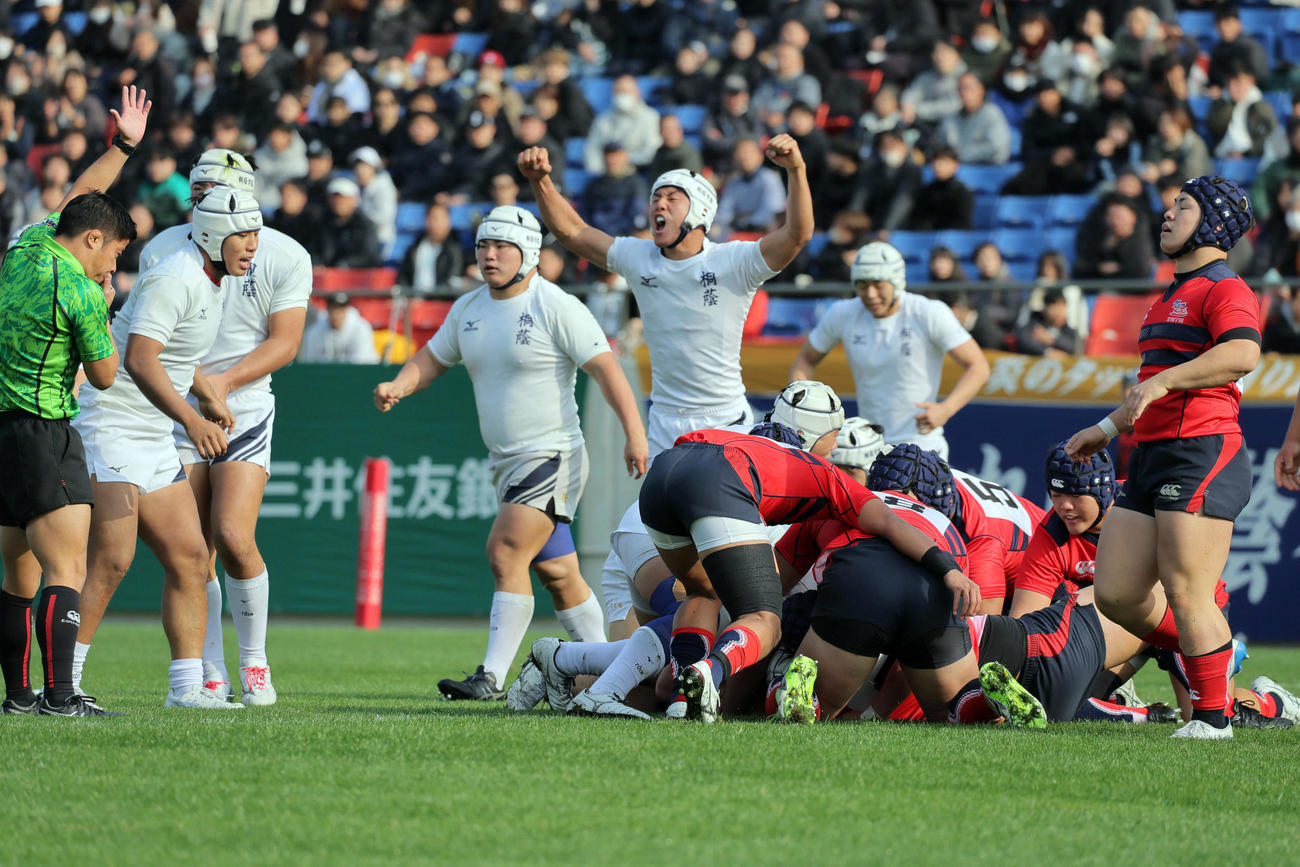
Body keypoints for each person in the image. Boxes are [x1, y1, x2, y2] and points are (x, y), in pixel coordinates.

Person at [373, 206, 649, 701]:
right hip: (505, 462)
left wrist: (635, 434)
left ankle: (491, 676)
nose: (489, 255)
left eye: (501, 247)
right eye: (483, 246)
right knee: (558, 574)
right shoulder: (470, 308)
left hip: (552, 454)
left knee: (504, 550)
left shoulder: (556, 305)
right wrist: (400, 383)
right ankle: (612, 676)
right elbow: (431, 359)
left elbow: (608, 370)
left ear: (530, 255)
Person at [639, 384, 981, 722]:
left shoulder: (738, 432)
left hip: (663, 474)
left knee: (703, 592)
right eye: (833, 440)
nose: (833, 453)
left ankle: (682, 697)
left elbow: (776, 575)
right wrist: (948, 569)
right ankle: (707, 674)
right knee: (765, 621)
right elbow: (892, 526)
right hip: (724, 484)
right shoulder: (824, 475)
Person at [1065, 176, 1261, 740]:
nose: (1168, 215)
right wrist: (1104, 428)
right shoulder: (1167, 296)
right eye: (1172, 205)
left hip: (1200, 452)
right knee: (1118, 594)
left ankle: (1212, 719)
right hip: (1148, 454)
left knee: (1187, 590)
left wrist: (1165, 383)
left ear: (1213, 223)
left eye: (1183, 206)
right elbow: (1148, 387)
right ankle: (1217, 655)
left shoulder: (1225, 287)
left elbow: (1243, 352)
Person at [73, 188, 263, 710]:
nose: (252, 245)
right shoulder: (174, 277)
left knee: (190, 557)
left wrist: (207, 394)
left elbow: (175, 356)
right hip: (110, 422)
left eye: (255, 233)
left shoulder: (213, 278)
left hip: (152, 432)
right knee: (111, 560)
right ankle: (61, 686)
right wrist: (193, 419)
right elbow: (138, 358)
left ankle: (186, 690)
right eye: (242, 234)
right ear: (210, 234)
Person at [137, 148, 313, 706]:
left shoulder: (285, 254)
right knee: (193, 550)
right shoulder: (163, 248)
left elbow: (284, 343)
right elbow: (150, 341)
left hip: (247, 406)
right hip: (176, 408)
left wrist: (223, 386)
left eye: (210, 189)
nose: (197, 199)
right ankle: (207, 670)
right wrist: (195, 392)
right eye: (195, 190)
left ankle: (254, 661)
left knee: (235, 537)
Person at [520, 134, 814, 457]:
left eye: (672, 198)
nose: (659, 203)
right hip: (663, 428)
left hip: (726, 423)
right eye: (655, 197)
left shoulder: (733, 261)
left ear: (701, 210)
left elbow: (798, 234)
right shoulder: (639, 255)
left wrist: (796, 169)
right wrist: (541, 182)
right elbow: (572, 232)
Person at [0, 86, 149, 717]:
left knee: (15, 576)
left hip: (2, 430)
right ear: (92, 241)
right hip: (45, 431)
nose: (111, 266)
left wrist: (122, 147)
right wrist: (109, 304)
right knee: (65, 568)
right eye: (112, 254)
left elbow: (73, 199)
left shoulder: (26, 247)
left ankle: (19, 698)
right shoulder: (85, 292)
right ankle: (62, 699)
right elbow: (108, 375)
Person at [790, 241, 988, 459]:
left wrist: (946, 409)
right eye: (862, 285)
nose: (871, 294)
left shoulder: (928, 312)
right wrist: (800, 405)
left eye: (878, 284)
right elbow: (805, 360)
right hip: (867, 448)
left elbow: (978, 366)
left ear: (897, 281)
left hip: (922, 443)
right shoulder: (842, 313)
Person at [868, 444, 1045, 615]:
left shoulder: (981, 543)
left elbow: (986, 629)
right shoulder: (933, 480)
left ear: (935, 509)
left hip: (1055, 576)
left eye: (908, 512)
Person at [299, 293, 380, 364]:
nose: (336, 313)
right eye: (333, 309)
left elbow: (363, 364)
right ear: (328, 310)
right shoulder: (315, 331)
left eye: (341, 309)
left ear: (347, 310)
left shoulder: (361, 328)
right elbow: (308, 362)